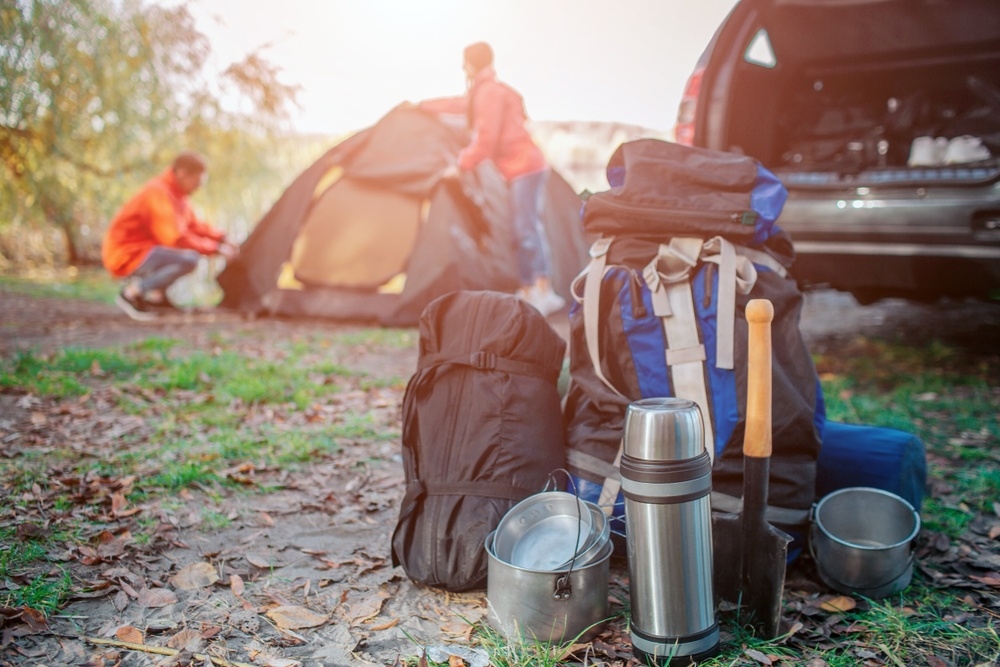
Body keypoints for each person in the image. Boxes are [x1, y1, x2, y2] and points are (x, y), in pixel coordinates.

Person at [419, 41, 565, 317]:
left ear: (471, 63)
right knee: (518, 229)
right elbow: (458, 104)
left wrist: (460, 166)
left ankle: (543, 291)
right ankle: (527, 290)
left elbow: (486, 139)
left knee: (526, 228)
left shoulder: (489, 93)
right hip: (516, 169)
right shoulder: (483, 92)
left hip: (526, 167)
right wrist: (423, 106)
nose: (463, 67)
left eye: (465, 62)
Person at [101, 151, 238, 320]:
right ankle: (131, 293)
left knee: (182, 255)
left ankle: (156, 298)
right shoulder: (157, 192)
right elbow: (175, 239)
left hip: (144, 250)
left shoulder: (178, 196)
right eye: (196, 181)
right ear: (182, 174)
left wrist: (222, 238)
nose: (199, 187)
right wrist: (216, 249)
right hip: (125, 254)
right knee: (189, 259)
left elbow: (194, 225)